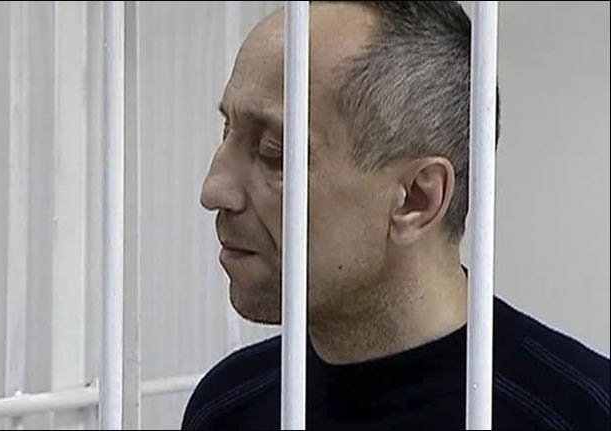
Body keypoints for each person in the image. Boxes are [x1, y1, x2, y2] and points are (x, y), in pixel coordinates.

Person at [183, 1, 610, 429]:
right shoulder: (228, 407)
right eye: (227, 131)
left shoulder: (581, 414)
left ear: (417, 199)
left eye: (274, 152)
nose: (213, 189)